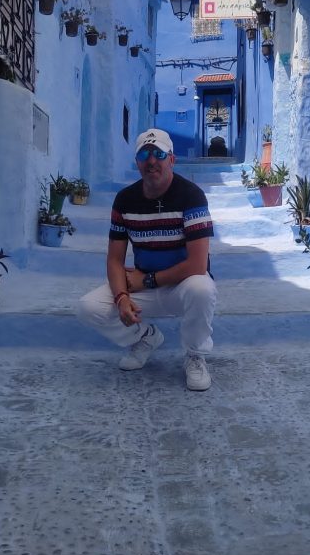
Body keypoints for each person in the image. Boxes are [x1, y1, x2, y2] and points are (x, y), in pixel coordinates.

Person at [77, 128, 217, 391]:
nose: (152, 160)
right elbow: (115, 259)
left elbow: (198, 265)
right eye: (144, 154)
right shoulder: (125, 200)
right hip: (144, 287)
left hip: (179, 286)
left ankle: (195, 356)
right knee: (88, 307)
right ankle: (146, 337)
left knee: (202, 288)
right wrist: (121, 297)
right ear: (138, 162)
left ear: (171, 160)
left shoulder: (191, 196)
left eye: (159, 153)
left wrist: (149, 280)